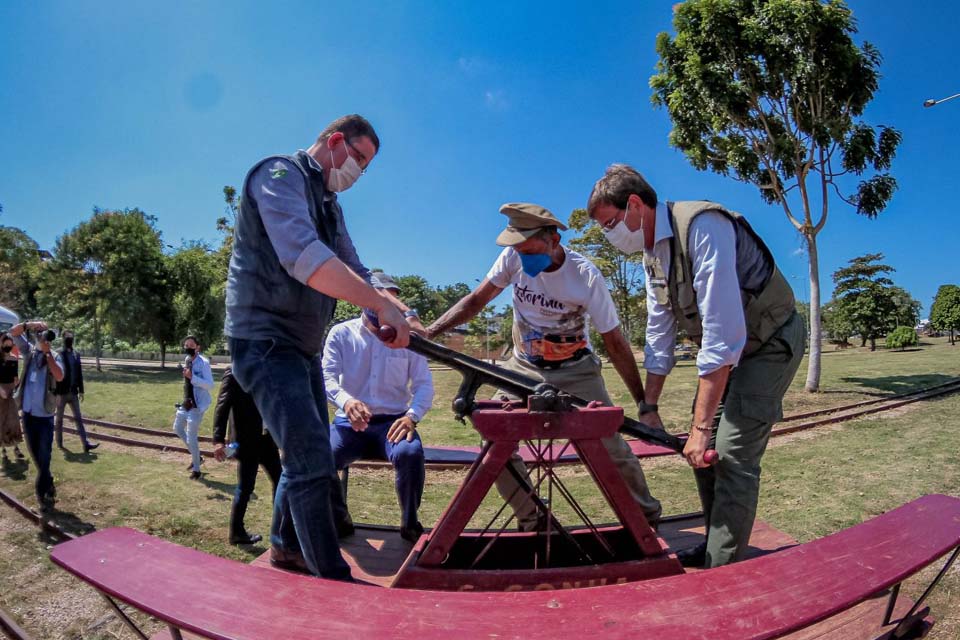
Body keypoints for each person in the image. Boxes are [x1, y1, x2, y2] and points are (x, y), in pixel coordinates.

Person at [224, 114, 416, 581]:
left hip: (301, 347)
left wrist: (400, 312)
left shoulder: (330, 205)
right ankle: (332, 578)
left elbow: (357, 269)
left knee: (309, 457)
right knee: (311, 459)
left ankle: (286, 546)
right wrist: (377, 304)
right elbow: (303, 256)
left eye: (366, 167)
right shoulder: (279, 175)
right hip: (265, 341)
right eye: (358, 159)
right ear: (335, 141)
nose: (359, 173)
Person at [587, 164, 804, 568]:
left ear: (634, 205)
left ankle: (723, 569)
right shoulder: (653, 256)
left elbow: (721, 337)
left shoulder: (703, 226)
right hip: (733, 351)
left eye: (610, 224)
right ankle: (715, 548)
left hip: (769, 342)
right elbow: (659, 334)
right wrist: (649, 406)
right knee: (702, 455)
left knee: (730, 453)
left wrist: (702, 429)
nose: (608, 235)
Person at [426, 203, 662, 531]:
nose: (523, 259)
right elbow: (477, 300)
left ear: (553, 239)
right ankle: (534, 520)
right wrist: (429, 332)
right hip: (523, 365)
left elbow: (615, 342)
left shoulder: (585, 276)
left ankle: (645, 520)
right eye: (518, 252)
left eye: (529, 251)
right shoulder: (512, 257)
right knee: (493, 438)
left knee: (610, 443)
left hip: (577, 369)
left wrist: (643, 403)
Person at [322, 273, 434, 543]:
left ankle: (409, 521)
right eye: (377, 299)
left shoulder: (408, 339)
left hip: (393, 423)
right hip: (349, 423)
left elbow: (424, 385)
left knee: (410, 453)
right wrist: (346, 401)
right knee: (321, 458)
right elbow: (325, 376)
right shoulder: (342, 333)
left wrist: (412, 417)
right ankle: (339, 517)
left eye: (391, 301)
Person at [211, 365, 281, 545]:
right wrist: (218, 440)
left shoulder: (269, 368)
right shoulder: (234, 372)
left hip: (267, 439)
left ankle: (281, 527)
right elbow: (222, 406)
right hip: (246, 440)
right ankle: (236, 532)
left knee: (281, 480)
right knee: (246, 487)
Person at [9, 321, 64, 510]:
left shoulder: (55, 355)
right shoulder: (29, 352)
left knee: (45, 454)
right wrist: (29, 324)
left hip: (45, 415)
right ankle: (49, 482)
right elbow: (13, 332)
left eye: (43, 334)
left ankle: (42, 495)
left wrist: (48, 354)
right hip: (28, 413)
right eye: (38, 334)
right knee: (34, 453)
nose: (41, 338)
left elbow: (59, 376)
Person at [172, 335, 214, 480]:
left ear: (197, 347)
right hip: (186, 402)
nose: (188, 348)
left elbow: (210, 385)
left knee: (191, 437)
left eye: (191, 345)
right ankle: (198, 457)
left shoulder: (204, 363)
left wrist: (192, 377)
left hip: (198, 405)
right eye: (186, 346)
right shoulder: (187, 360)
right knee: (177, 428)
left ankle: (197, 470)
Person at [54, 330, 98, 453]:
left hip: (73, 392)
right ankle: (60, 443)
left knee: (78, 418)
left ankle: (86, 444)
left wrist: (81, 390)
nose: (69, 339)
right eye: (67, 337)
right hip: (61, 393)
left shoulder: (76, 354)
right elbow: (55, 374)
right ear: (63, 339)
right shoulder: (58, 354)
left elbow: (79, 373)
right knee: (59, 419)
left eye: (71, 337)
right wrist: (55, 392)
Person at [0, 333, 26, 461]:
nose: (8, 347)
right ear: (1, 344)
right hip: (0, 390)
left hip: (11, 391)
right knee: (2, 420)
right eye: (6, 345)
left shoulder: (14, 358)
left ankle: (16, 447)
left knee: (14, 419)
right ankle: (3, 449)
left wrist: (18, 384)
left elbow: (15, 377)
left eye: (10, 345)